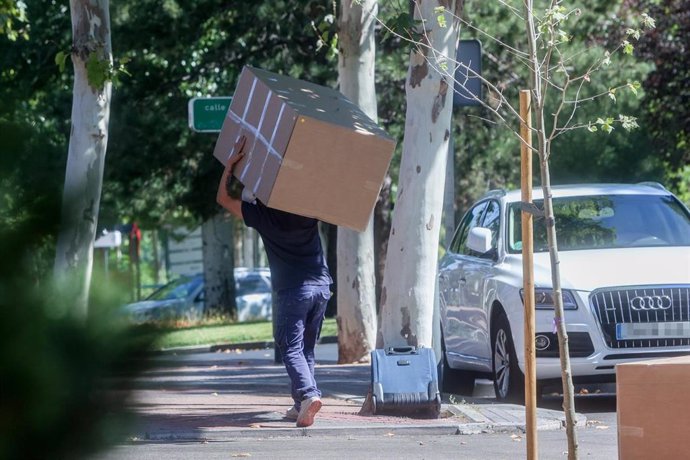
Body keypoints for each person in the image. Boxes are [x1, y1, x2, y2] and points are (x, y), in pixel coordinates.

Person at [221, 135, 333, 428]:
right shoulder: (306, 209)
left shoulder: (261, 216)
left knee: (290, 346)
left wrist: (230, 165)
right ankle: (301, 405)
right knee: (306, 348)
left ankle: (309, 394)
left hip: (294, 289)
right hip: (322, 286)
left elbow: (223, 198)